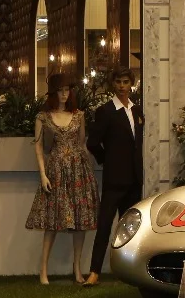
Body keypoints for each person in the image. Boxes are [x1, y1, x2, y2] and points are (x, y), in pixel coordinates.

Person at [26, 73, 100, 285]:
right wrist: (42, 174)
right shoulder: (43, 117)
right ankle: (43, 270)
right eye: (60, 90)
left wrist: (91, 170)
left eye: (67, 90)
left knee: (80, 220)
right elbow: (38, 147)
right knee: (52, 220)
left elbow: (82, 144)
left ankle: (77, 269)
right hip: (56, 170)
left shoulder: (79, 115)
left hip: (79, 169)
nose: (64, 94)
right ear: (53, 92)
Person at [84, 68, 144, 286]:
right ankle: (94, 272)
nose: (121, 85)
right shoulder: (106, 111)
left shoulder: (137, 111)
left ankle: (130, 273)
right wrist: (106, 159)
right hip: (114, 179)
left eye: (125, 82)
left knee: (132, 229)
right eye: (118, 81)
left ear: (131, 84)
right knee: (105, 226)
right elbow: (92, 143)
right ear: (113, 84)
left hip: (135, 179)